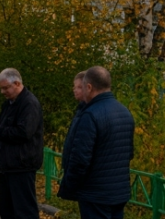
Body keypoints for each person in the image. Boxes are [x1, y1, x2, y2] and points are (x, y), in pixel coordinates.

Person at [57, 66, 136, 219]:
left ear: (89, 87)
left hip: (95, 193)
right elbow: (129, 153)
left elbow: (80, 159)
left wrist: (69, 185)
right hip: (120, 192)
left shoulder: (90, 115)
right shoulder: (125, 112)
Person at [0, 69, 45, 219]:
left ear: (17, 83)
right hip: (7, 165)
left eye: (5, 88)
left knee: (24, 211)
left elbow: (24, 132)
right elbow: (7, 130)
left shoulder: (29, 103)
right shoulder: (9, 104)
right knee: (7, 210)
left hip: (21, 165)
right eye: (1, 88)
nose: (2, 92)